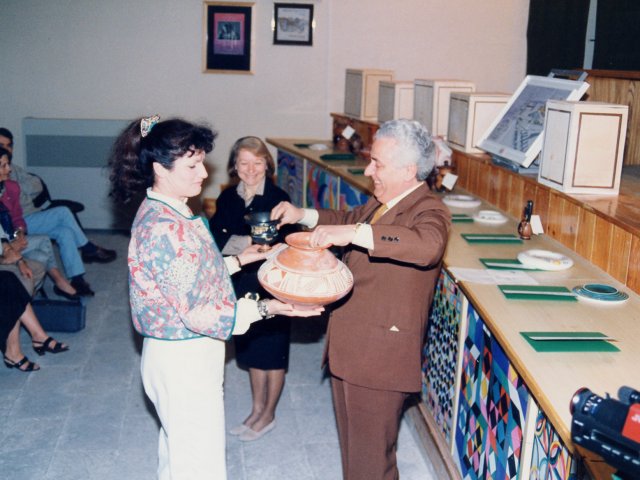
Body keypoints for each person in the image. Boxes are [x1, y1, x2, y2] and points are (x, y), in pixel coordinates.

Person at [108, 115, 322, 480]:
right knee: (199, 465)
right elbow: (198, 312)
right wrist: (269, 307)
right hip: (182, 359)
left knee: (181, 455)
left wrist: (239, 259)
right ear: (160, 167)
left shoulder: (170, 209)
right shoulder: (165, 228)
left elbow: (190, 276)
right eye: (192, 165)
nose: (203, 174)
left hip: (185, 355)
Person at [271, 119, 451, 480]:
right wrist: (301, 215)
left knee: (371, 464)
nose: (369, 170)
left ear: (408, 170)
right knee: (356, 456)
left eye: (378, 164)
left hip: (379, 355)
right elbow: (345, 218)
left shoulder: (430, 210)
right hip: (352, 345)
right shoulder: (382, 202)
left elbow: (426, 246)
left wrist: (353, 232)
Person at [209, 136, 296, 441]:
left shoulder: (279, 198)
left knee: (272, 353)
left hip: (271, 283)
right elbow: (216, 240)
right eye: (244, 162)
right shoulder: (227, 198)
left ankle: (268, 414)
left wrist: (241, 243)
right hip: (240, 281)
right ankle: (256, 409)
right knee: (250, 351)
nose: (251, 169)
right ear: (234, 166)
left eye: (257, 162)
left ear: (267, 166)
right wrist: (246, 243)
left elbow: (288, 243)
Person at [0, 128, 116, 296]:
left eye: (9, 146)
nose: (7, 149)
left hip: (28, 218)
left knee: (65, 232)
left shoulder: (13, 171)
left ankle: (77, 279)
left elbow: (37, 185)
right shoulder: (7, 176)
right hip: (17, 225)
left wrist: (19, 186)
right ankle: (88, 247)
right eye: (2, 145)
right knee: (62, 212)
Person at [0, 147, 79, 299]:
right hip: (4, 245)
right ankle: (58, 281)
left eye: (8, 164)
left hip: (10, 239)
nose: (8, 169)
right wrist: (8, 247)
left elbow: (17, 217)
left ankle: (28, 297)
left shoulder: (11, 187)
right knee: (44, 243)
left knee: (42, 256)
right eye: (3, 166)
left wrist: (20, 233)